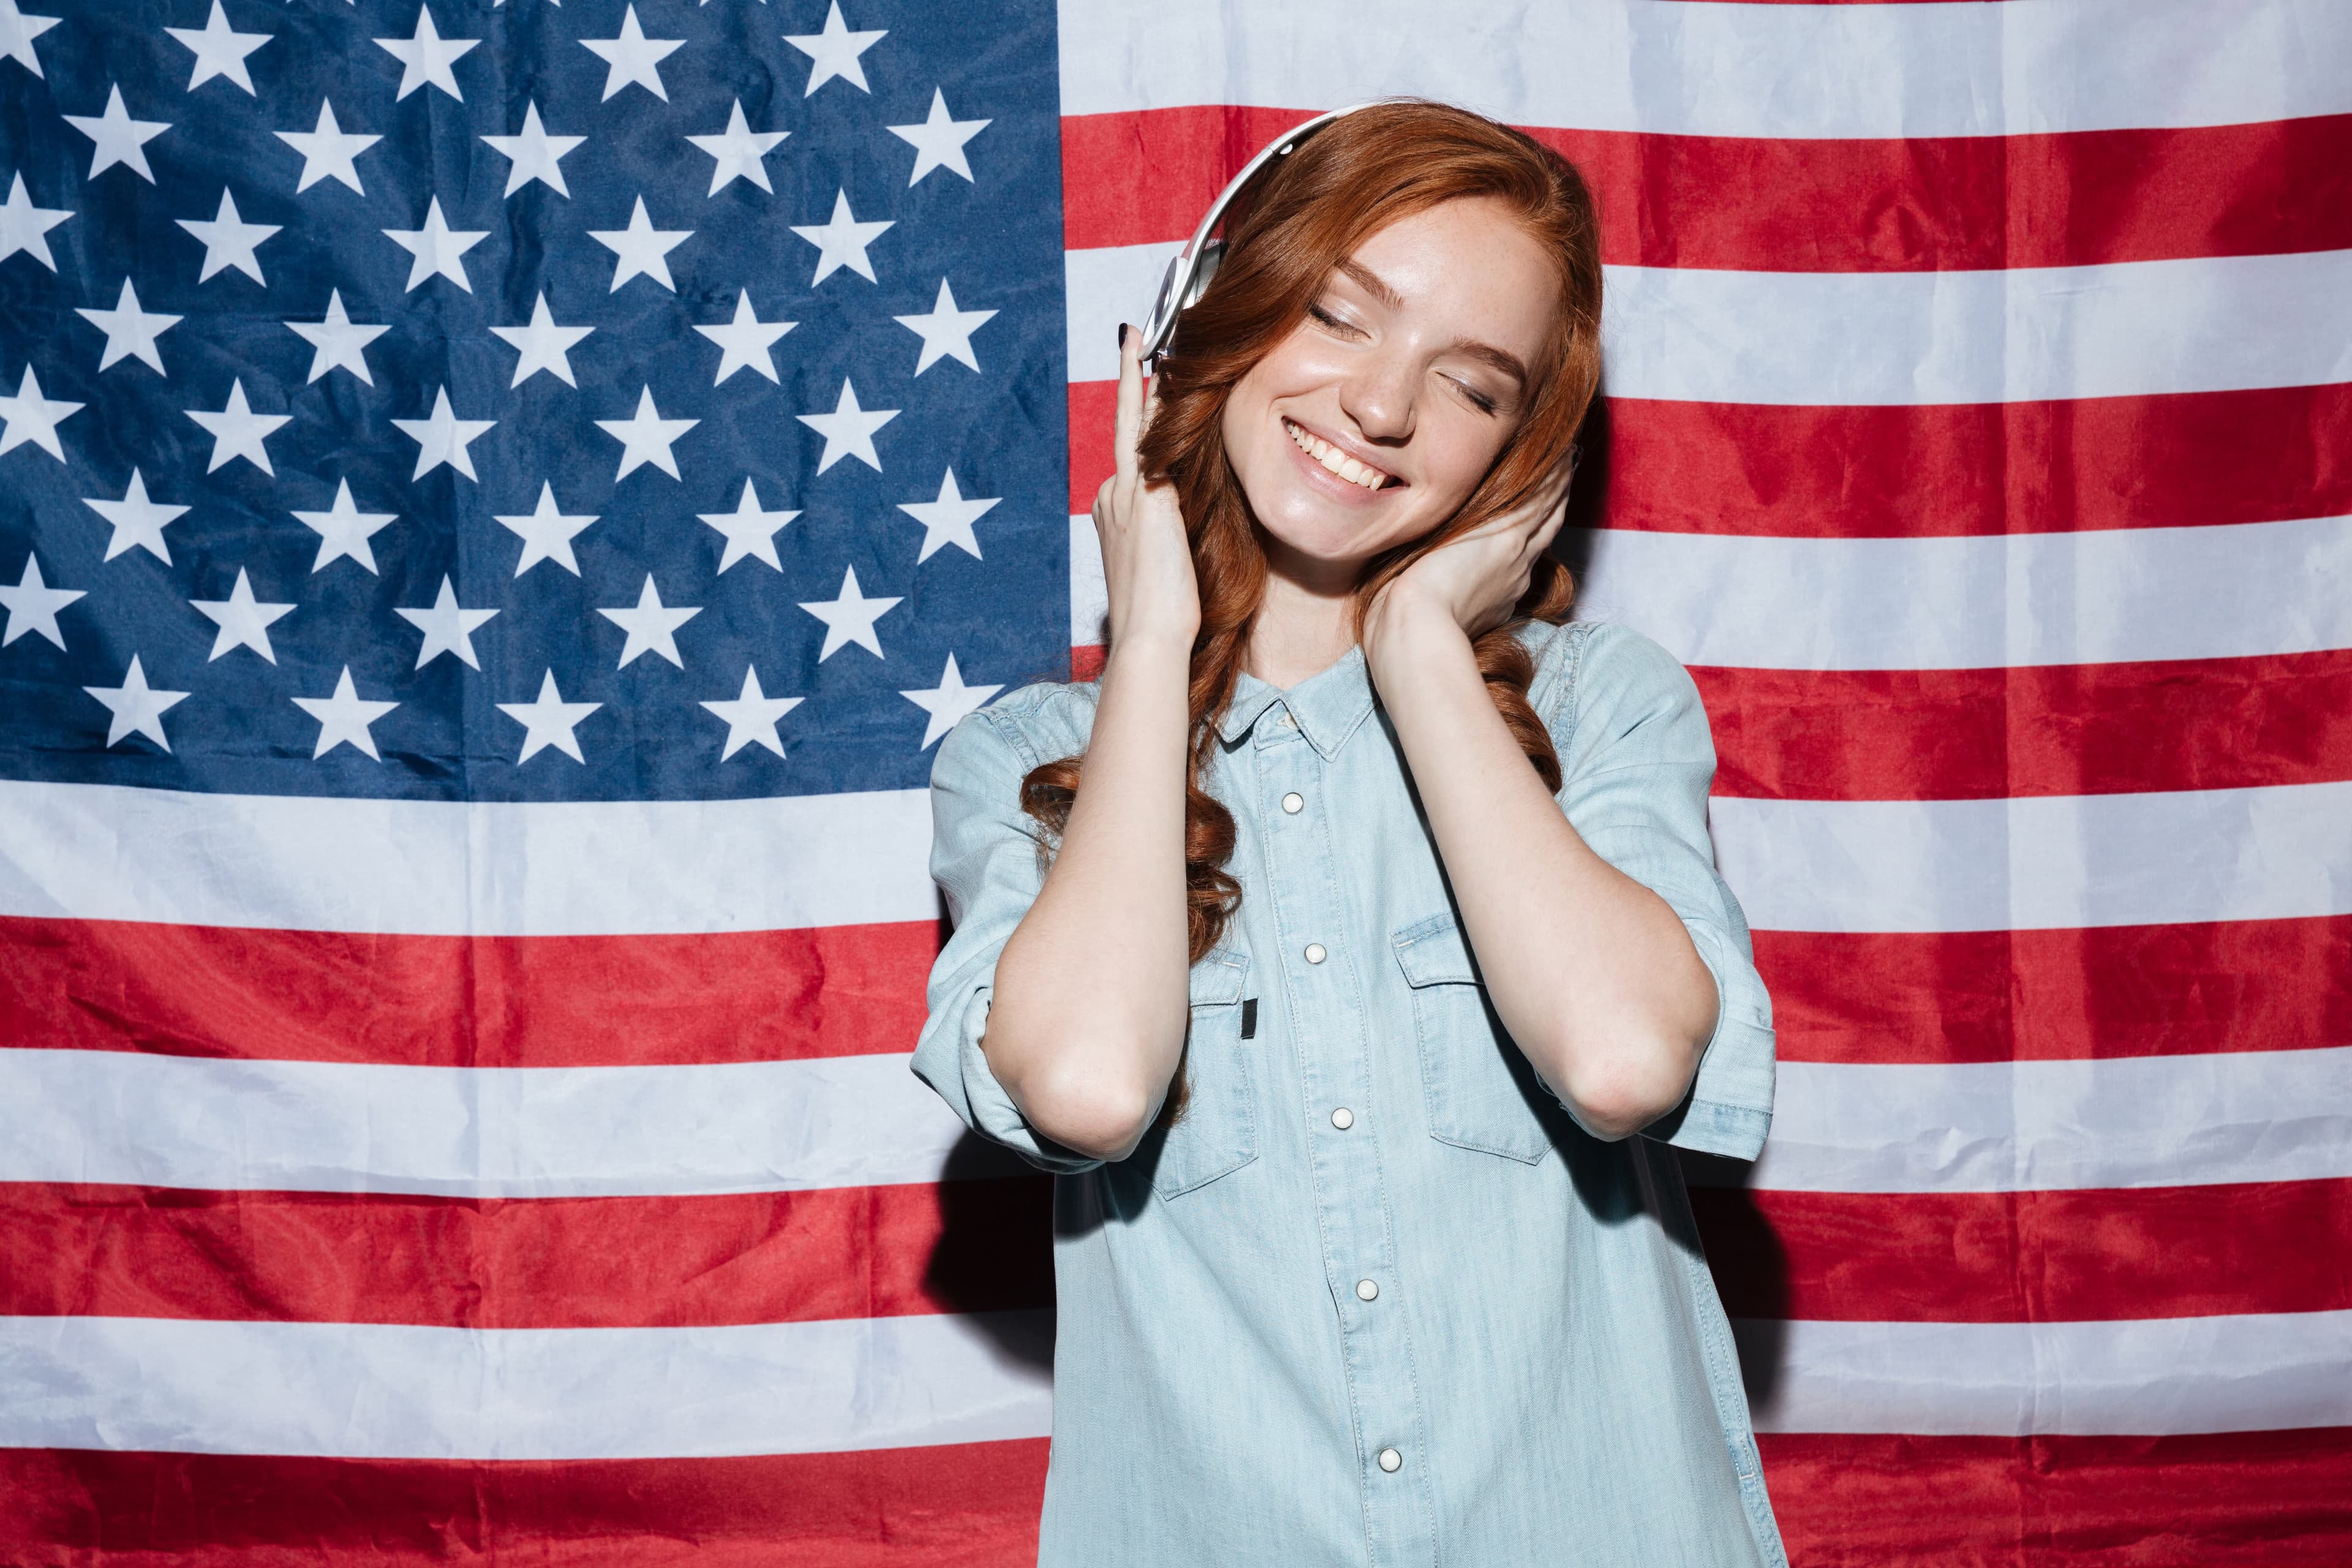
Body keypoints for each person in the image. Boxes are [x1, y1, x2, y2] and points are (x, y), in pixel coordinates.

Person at [912, 99, 1785, 1567]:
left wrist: (1423, 645)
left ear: (1522, 456)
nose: (1382, 406)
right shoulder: (1022, 763)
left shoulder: (1602, 707)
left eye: (1472, 386)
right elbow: (1087, 1087)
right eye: (1339, 313)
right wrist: (1152, 645)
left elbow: (1625, 1060)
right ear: (1211, 312)